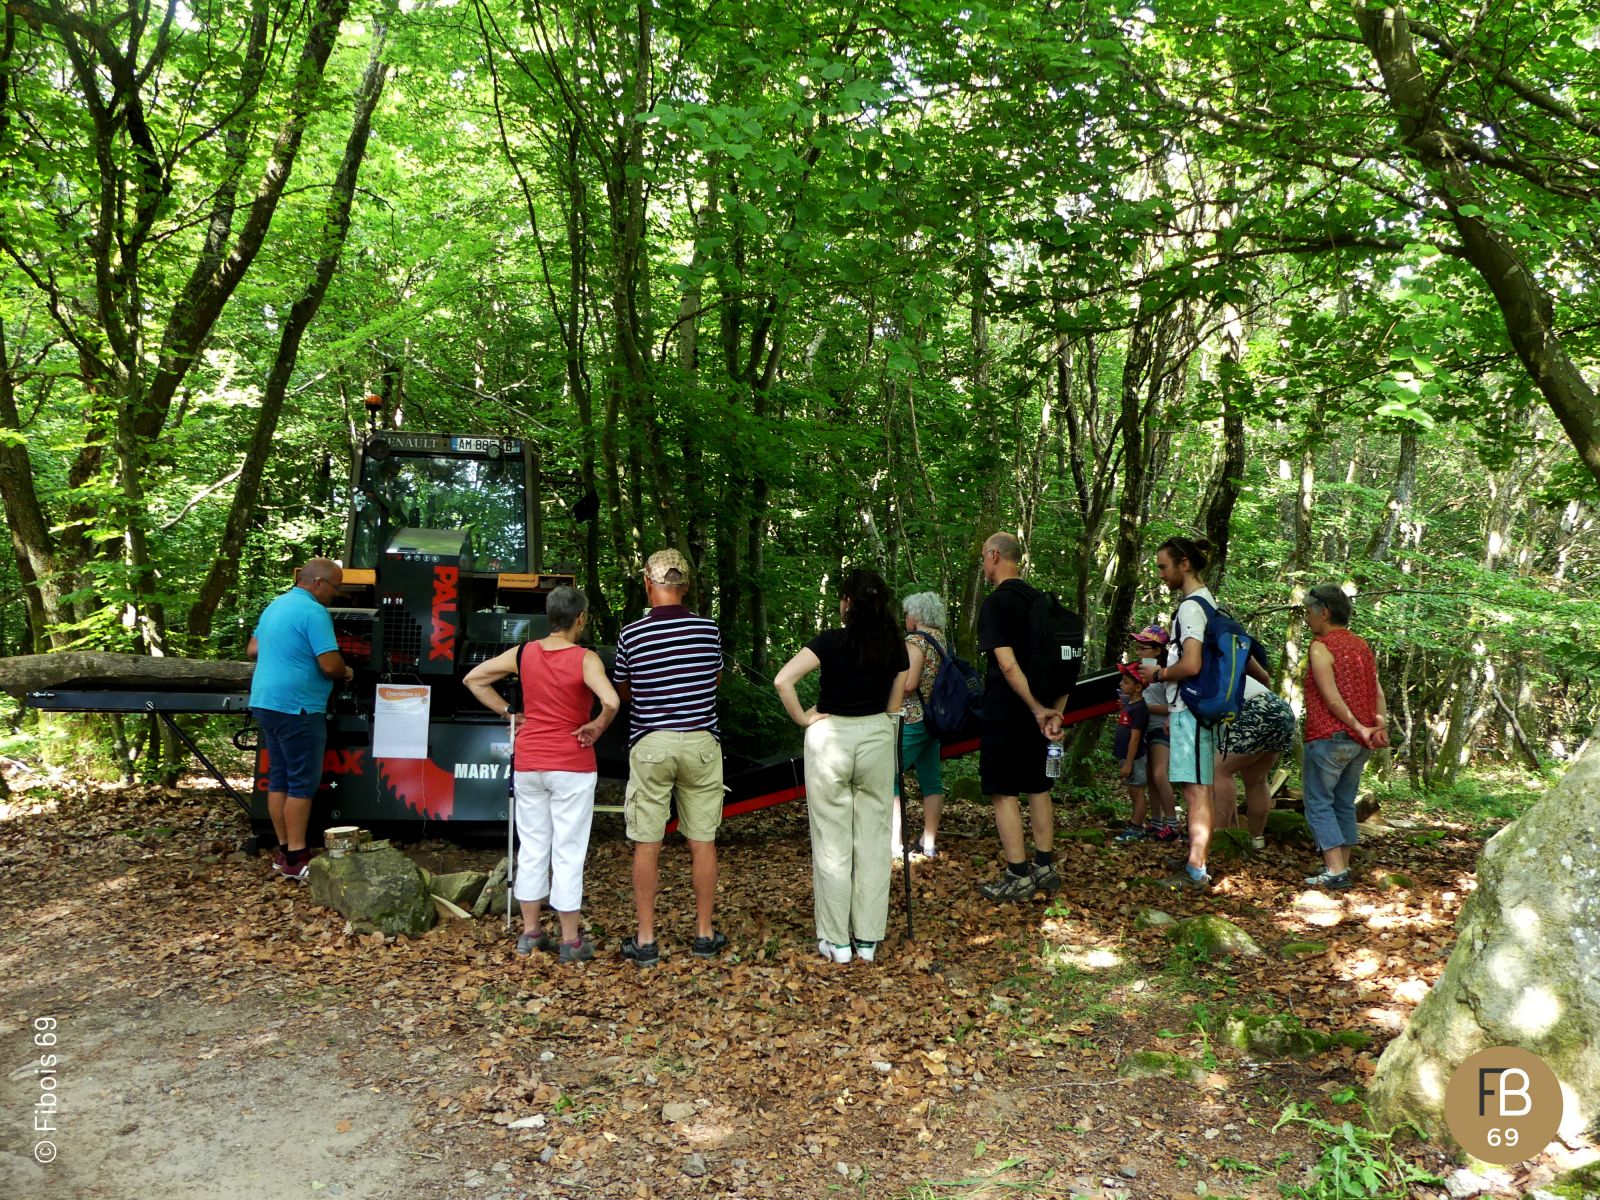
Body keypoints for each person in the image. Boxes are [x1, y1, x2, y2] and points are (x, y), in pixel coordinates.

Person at [463, 586, 620, 963]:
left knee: (532, 847)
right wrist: (596, 726)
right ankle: (570, 941)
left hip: (530, 761)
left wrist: (509, 713)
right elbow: (611, 701)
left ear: (550, 617)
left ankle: (531, 933)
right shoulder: (585, 659)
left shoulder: (523, 652)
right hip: (571, 763)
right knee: (567, 850)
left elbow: (474, 679)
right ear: (580, 618)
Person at [774, 568, 908, 964]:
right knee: (872, 841)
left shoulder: (830, 642)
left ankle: (838, 942)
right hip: (876, 738)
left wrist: (802, 718)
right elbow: (894, 708)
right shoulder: (895, 647)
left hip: (830, 737)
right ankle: (867, 940)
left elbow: (784, 680)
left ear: (847, 602)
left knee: (832, 841)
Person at [613, 549, 727, 967]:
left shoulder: (631, 634)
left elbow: (624, 692)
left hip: (652, 743)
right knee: (703, 840)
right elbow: (713, 681)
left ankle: (646, 940)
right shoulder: (708, 629)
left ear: (648, 583)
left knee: (647, 840)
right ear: (686, 586)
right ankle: (703, 933)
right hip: (700, 742)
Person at [974, 533, 1072, 903]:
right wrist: (1055, 711)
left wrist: (1034, 708)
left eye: (985, 557)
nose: (984, 564)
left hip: (1010, 710)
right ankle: (1045, 867)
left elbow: (1007, 663)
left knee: (1003, 790)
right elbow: (1068, 663)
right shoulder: (1042, 602)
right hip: (1045, 709)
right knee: (1038, 786)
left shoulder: (997, 604)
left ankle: (1017, 873)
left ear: (995, 556)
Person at [247, 558, 354, 880]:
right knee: (300, 785)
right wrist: (347, 670)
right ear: (318, 583)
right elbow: (330, 666)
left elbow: (253, 649)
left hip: (266, 702)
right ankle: (297, 857)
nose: (335, 594)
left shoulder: (276, 605)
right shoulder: (313, 612)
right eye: (335, 587)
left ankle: (283, 853)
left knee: (278, 778)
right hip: (298, 708)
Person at [1301, 583, 1389, 890]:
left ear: (1324, 612)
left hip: (1329, 736)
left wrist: (1360, 726)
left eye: (1308, 611)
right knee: (1343, 802)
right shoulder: (1360, 645)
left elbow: (1332, 698)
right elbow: (1375, 690)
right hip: (1358, 741)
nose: (1306, 618)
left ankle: (1335, 870)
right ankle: (1342, 864)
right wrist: (1378, 725)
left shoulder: (1320, 645)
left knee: (1318, 803)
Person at [891, 590, 948, 860]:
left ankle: (893, 843)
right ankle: (929, 841)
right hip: (933, 720)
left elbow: (909, 683)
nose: (905, 618)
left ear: (916, 615)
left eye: (907, 613)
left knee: (889, 775)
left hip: (912, 719)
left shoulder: (915, 640)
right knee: (931, 780)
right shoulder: (939, 639)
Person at [1214, 670, 1297, 850]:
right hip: (1280, 709)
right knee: (1257, 781)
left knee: (1219, 771)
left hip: (1256, 708)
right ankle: (1255, 839)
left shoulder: (1195, 669)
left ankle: (1222, 837)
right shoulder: (1228, 664)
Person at [1125, 624, 1179, 841]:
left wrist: (1143, 708)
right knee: (1150, 777)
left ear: (1158, 650)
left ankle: (1172, 823)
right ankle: (1156, 822)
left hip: (1162, 728)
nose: (1139, 652)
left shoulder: (1165, 672)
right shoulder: (1139, 671)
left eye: (1143, 648)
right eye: (1137, 648)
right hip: (1145, 728)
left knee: (1159, 773)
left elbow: (1173, 707)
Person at [1111, 664, 1151, 841]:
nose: (1121, 684)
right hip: (1125, 756)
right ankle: (1135, 822)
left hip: (1134, 758)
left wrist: (1128, 763)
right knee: (1132, 791)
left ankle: (1136, 828)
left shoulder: (1140, 708)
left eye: (1126, 682)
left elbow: (1135, 738)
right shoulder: (1129, 705)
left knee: (1137, 791)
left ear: (1138, 688)